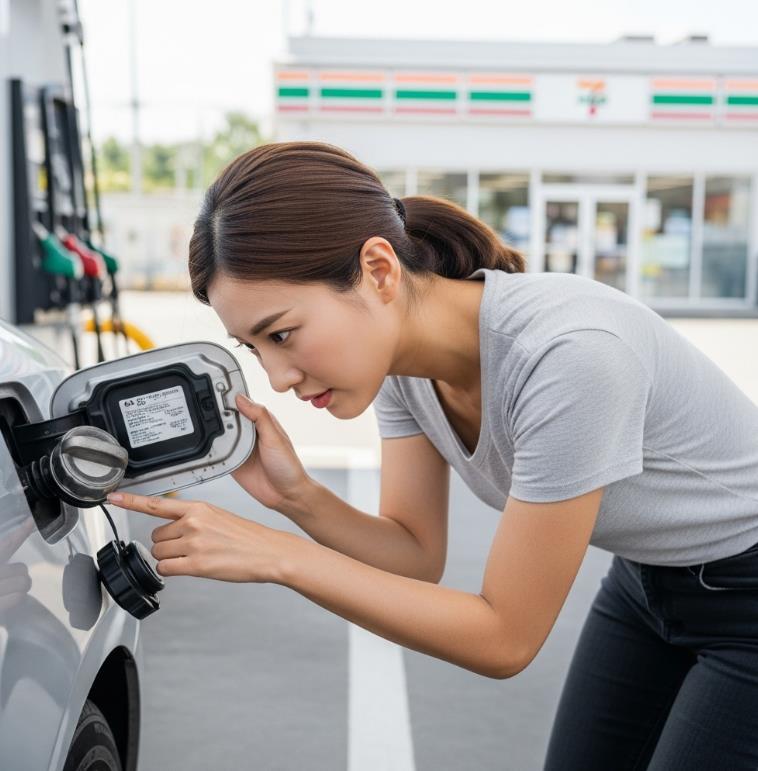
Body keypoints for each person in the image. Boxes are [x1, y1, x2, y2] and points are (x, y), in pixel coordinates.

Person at [107, 141, 758, 770]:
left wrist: (276, 554)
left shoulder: (571, 355)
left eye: (283, 333)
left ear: (380, 270)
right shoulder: (399, 362)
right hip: (646, 580)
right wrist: (293, 496)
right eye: (255, 347)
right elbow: (415, 554)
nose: (277, 377)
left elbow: (504, 636)